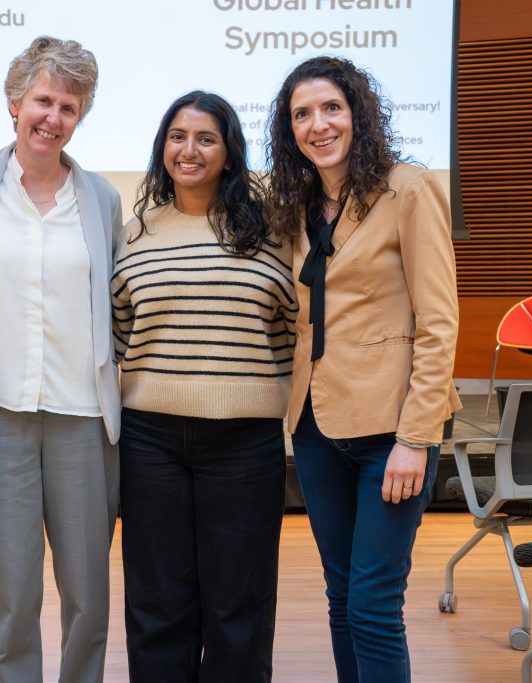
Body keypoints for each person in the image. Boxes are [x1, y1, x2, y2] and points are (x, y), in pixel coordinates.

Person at [265, 56, 460, 682]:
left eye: (330, 109)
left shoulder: (408, 188)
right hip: (318, 424)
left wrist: (415, 438)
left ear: (357, 115)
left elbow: (439, 322)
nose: (317, 125)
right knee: (343, 597)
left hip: (392, 429)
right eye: (302, 114)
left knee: (375, 605)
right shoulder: (296, 208)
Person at [0, 36, 122, 683]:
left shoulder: (101, 199)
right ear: (15, 101)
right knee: (14, 595)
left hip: (83, 418)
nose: (53, 117)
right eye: (43, 100)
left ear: (81, 117)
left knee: (88, 594)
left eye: (69, 106)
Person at [111, 91, 296, 683]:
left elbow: (292, 333)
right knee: (157, 600)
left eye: (206, 138)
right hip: (150, 440)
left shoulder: (272, 233)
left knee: (238, 604)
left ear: (229, 151)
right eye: (177, 136)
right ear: (163, 146)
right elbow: (118, 333)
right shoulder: (133, 234)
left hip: (245, 444)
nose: (188, 150)